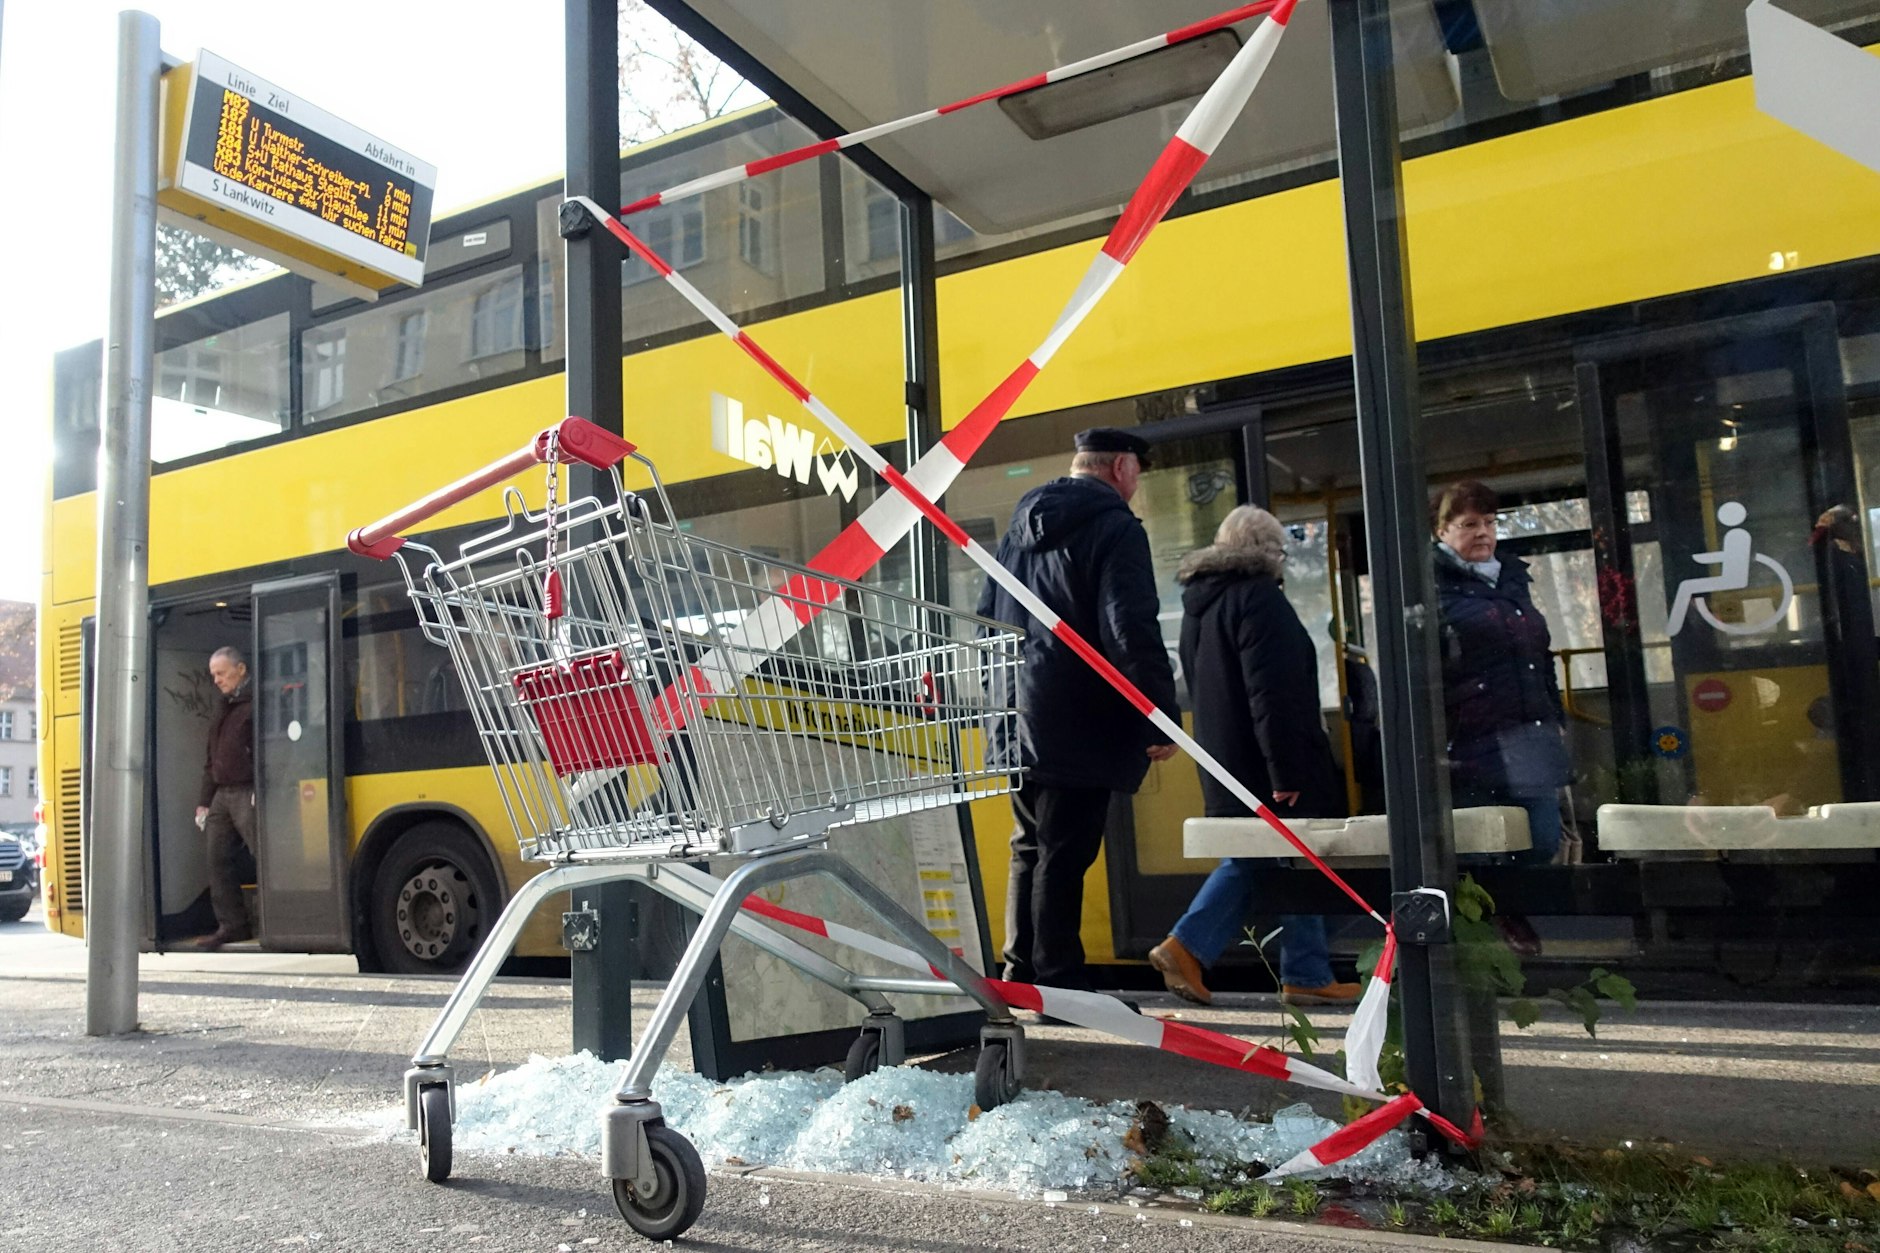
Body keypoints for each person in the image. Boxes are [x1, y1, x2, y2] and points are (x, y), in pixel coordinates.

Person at [979, 427, 1180, 992]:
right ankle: (1060, 983)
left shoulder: (1018, 527)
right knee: (1065, 855)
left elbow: (986, 611)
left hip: (1016, 712)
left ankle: (1021, 971)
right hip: (1077, 717)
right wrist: (1157, 714)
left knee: (1031, 848)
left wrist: (1000, 703)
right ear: (1120, 467)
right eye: (1138, 471)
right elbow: (1129, 628)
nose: (1138, 484)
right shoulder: (1114, 527)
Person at [1147, 506, 1360, 1007]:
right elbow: (1274, 693)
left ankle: (1305, 969)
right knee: (1277, 857)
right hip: (1270, 767)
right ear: (1268, 552)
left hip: (1227, 762)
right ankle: (1188, 945)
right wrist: (1285, 769)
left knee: (1284, 859)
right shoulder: (1260, 599)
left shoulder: (1203, 606)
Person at [1430, 480, 1568, 868]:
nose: (1484, 533)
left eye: (1490, 523)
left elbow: (1539, 659)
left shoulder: (1512, 581)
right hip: (1471, 744)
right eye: (1470, 524)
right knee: (1483, 856)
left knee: (1541, 842)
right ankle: (1499, 928)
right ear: (1442, 531)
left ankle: (1520, 928)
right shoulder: (1429, 586)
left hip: (1529, 740)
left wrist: (1555, 716)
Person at [195, 645, 256, 950]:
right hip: (222, 794)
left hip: (248, 790)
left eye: (220, 673)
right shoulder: (224, 707)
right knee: (217, 859)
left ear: (241, 669)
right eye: (213, 675)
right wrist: (204, 801)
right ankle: (232, 925)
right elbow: (212, 758)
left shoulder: (256, 703)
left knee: (265, 855)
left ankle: (278, 918)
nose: (216, 680)